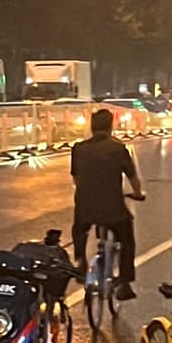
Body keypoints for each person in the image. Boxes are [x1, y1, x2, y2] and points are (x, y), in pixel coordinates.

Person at [69, 106, 145, 300]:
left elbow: (76, 178)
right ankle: (125, 282)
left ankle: (80, 261)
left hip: (85, 208)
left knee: (79, 230)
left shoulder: (78, 149)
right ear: (110, 127)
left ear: (92, 127)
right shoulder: (118, 149)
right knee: (127, 238)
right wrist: (137, 193)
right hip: (113, 210)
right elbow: (132, 177)